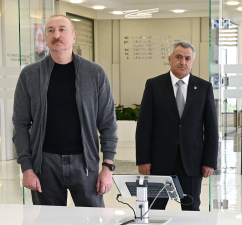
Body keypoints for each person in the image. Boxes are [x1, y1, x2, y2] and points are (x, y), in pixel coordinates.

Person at [13, 15, 117, 207]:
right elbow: (20, 125)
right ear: (45, 37)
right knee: (49, 222)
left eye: (62, 29)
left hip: (85, 163)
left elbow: (108, 124)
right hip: (45, 164)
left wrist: (107, 167)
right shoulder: (30, 75)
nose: (56, 35)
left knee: (91, 221)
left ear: (74, 36)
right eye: (51, 30)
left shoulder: (95, 73)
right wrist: (26, 168)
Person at [136, 41, 218, 211]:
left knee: (191, 210)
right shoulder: (154, 85)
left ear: (192, 62)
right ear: (170, 59)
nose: (183, 62)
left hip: (192, 162)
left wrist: (209, 161)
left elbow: (211, 129)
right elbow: (144, 126)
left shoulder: (204, 88)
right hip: (159, 161)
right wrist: (143, 159)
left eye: (187, 58)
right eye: (179, 57)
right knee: (154, 210)